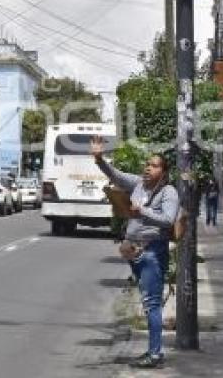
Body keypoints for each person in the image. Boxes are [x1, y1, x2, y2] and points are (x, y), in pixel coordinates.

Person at [91, 136, 179, 369]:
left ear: (164, 171)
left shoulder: (168, 192)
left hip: (152, 251)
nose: (148, 168)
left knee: (151, 304)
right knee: (147, 301)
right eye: (147, 164)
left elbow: (168, 220)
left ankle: (156, 354)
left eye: (154, 165)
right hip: (135, 253)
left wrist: (142, 211)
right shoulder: (138, 184)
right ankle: (153, 351)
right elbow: (116, 176)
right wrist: (99, 159)